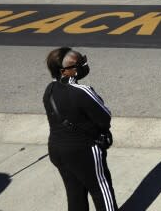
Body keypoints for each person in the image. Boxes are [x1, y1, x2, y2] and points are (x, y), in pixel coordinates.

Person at [43, 47, 118, 211]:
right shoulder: (82, 91)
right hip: (84, 151)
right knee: (101, 189)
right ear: (64, 71)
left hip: (57, 150)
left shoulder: (49, 90)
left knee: (74, 192)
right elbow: (104, 117)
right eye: (79, 64)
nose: (84, 65)